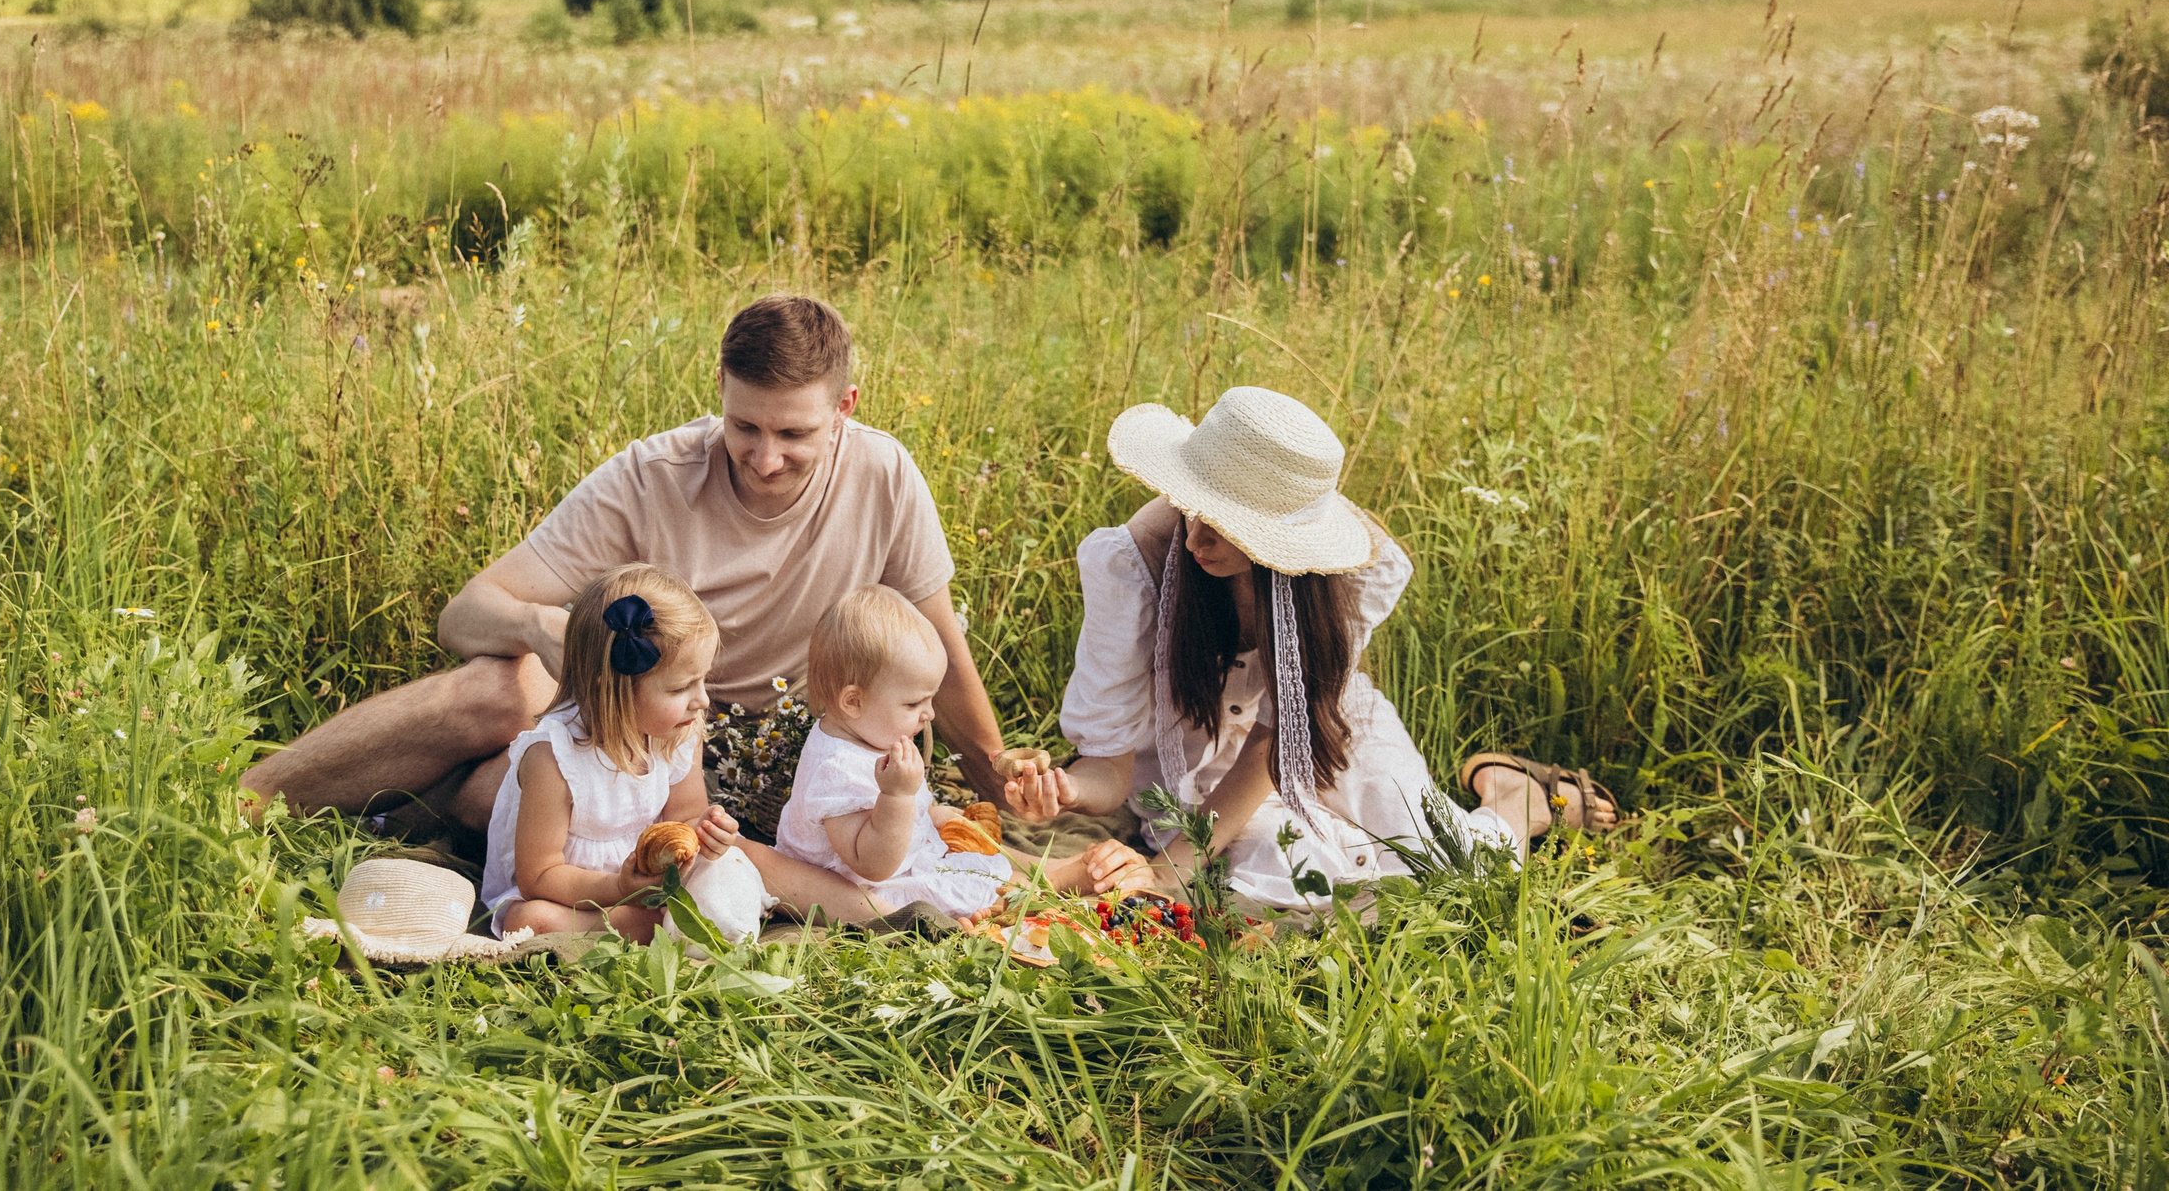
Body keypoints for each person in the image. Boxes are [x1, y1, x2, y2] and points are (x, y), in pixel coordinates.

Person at [241, 295, 1009, 921]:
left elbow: (939, 645)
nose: (766, 456)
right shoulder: (654, 474)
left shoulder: (885, 476)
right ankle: (244, 802)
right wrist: (539, 628)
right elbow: (466, 612)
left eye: (794, 433)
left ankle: (417, 805)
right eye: (744, 426)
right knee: (505, 687)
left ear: (845, 407)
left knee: (498, 796)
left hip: (774, 767)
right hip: (638, 733)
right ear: (720, 391)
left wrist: (1001, 777)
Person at [1005, 386, 1618, 909]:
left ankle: (1518, 796)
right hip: (1190, 765)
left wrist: (1166, 872)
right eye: (1192, 504)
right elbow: (1108, 772)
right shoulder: (1131, 565)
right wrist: (1067, 792)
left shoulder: (1342, 579)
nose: (1195, 533)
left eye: (1225, 522)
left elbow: (1272, 751)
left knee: (1447, 871)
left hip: (1319, 740)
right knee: (1280, 878)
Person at [775, 587, 1150, 920]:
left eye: (930, 699)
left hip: (908, 859)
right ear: (854, 701)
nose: (930, 714)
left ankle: (1048, 878)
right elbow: (872, 864)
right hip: (871, 886)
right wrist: (898, 795)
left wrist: (929, 813)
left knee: (982, 865)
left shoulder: (865, 735)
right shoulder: (836, 771)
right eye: (913, 703)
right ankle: (1052, 885)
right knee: (983, 891)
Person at [481, 563, 770, 942]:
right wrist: (619, 889)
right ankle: (645, 929)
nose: (701, 700)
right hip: (574, 892)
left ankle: (665, 924)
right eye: (681, 688)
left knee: (731, 865)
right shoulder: (554, 761)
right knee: (529, 919)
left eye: (702, 680)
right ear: (612, 691)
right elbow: (540, 876)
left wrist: (707, 833)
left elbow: (685, 815)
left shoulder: (679, 734)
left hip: (647, 884)